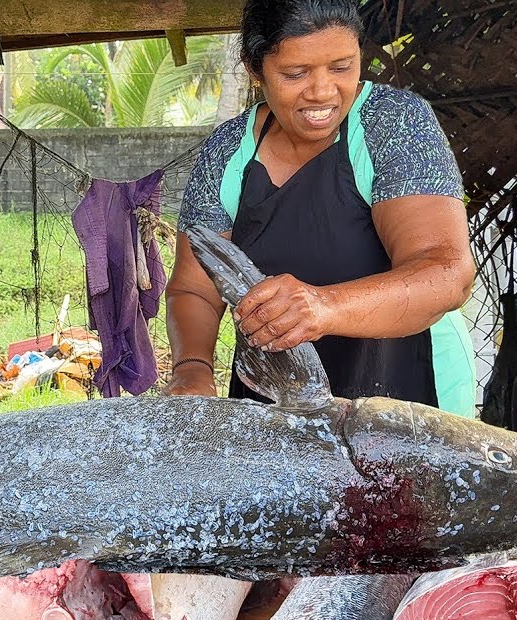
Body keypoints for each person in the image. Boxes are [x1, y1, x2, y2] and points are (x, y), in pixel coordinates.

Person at [167, 0, 477, 413]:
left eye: (342, 67)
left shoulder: (392, 122)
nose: (323, 92)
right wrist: (193, 370)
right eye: (296, 73)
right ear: (254, 70)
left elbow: (445, 270)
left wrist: (322, 307)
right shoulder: (227, 151)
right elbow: (195, 287)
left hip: (409, 404)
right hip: (278, 402)